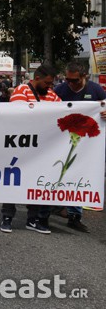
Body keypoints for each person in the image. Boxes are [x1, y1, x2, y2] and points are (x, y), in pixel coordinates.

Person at [0, 64, 60, 234]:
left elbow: (62, 112)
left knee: (37, 182)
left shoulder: (51, 95)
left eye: (51, 84)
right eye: (47, 83)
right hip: (20, 145)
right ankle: (7, 216)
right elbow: (20, 115)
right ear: (37, 78)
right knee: (13, 180)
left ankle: (32, 219)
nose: (49, 87)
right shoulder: (22, 90)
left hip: (40, 149)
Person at [51, 61, 106, 233]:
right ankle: (55, 205)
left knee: (79, 174)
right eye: (67, 79)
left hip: (87, 143)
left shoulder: (96, 90)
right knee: (60, 171)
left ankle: (75, 215)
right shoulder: (60, 90)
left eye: (74, 80)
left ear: (84, 77)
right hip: (62, 141)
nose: (69, 83)